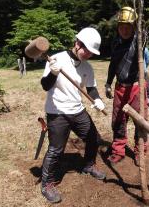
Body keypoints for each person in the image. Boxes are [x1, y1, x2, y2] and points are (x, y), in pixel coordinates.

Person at [40, 27, 106, 203]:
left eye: (92, 52)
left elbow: (91, 88)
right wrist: (53, 73)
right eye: (87, 50)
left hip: (78, 110)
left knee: (94, 139)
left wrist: (97, 100)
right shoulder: (56, 59)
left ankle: (89, 165)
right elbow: (45, 86)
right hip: (57, 112)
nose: (88, 55)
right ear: (77, 43)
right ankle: (47, 184)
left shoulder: (87, 67)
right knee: (56, 150)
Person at [105, 6, 148, 166]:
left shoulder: (139, 41)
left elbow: (142, 32)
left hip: (136, 86)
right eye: (121, 26)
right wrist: (108, 83)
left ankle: (140, 151)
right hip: (120, 87)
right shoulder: (115, 42)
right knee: (118, 120)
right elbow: (113, 64)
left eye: (128, 26)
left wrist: (138, 19)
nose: (124, 29)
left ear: (133, 26)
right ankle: (118, 150)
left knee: (141, 121)